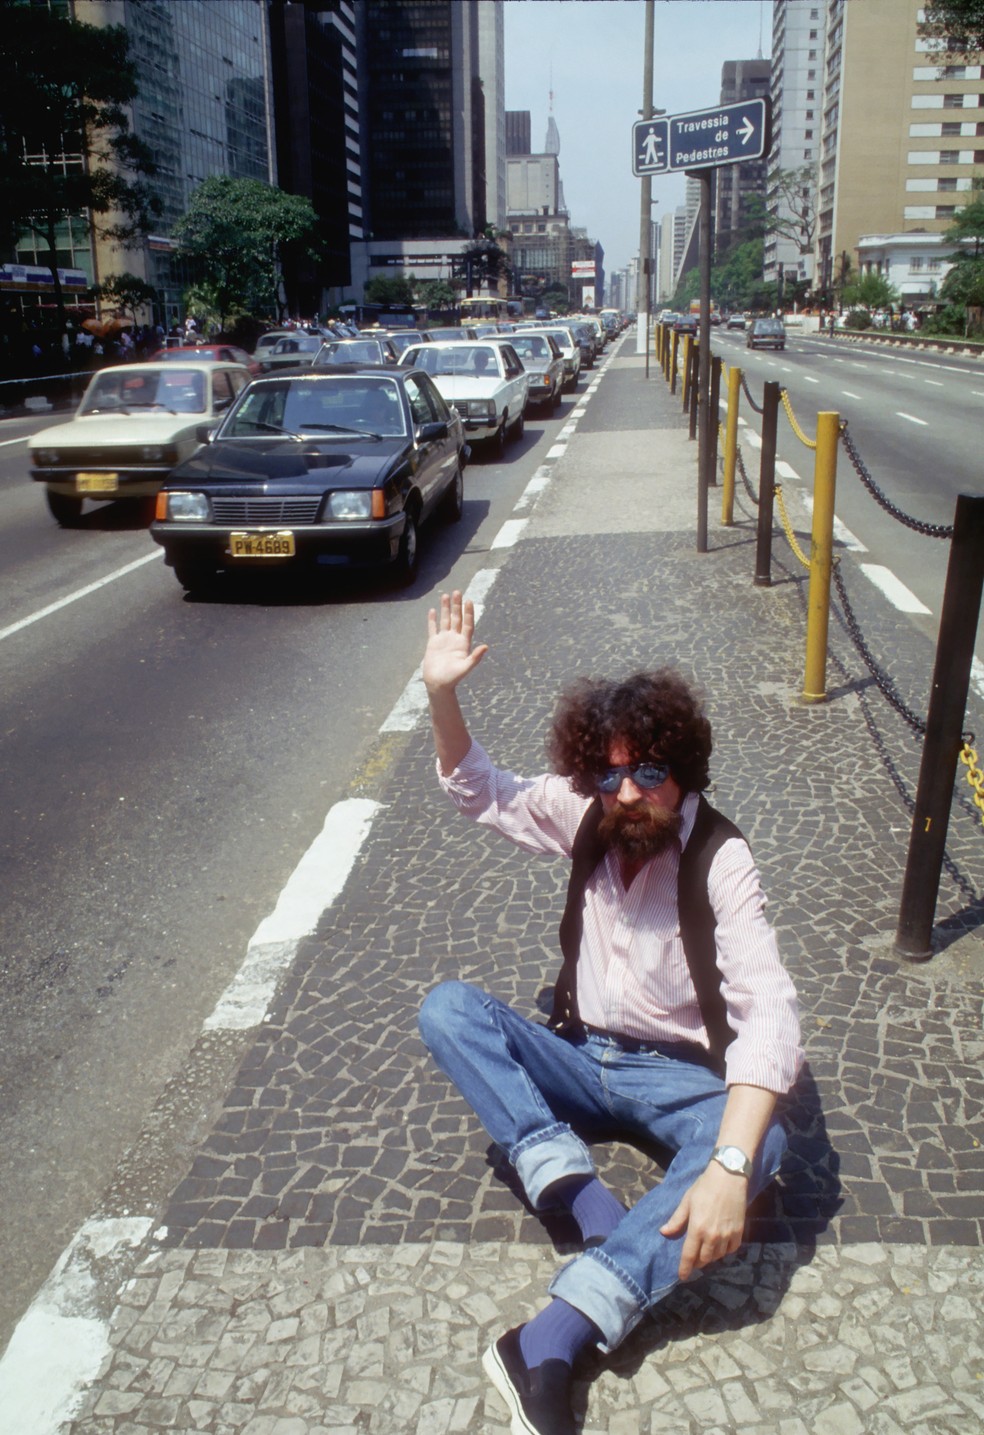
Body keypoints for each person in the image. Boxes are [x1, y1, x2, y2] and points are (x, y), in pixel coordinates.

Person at [418, 592, 802, 1435]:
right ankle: (581, 1195)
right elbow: (479, 788)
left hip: (678, 1077)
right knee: (448, 1009)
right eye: (609, 774)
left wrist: (728, 1166)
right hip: (580, 1053)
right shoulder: (588, 813)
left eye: (649, 772)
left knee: (764, 1143)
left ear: (683, 770)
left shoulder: (720, 856)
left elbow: (770, 1014)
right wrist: (441, 694)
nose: (628, 793)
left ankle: (551, 1337)